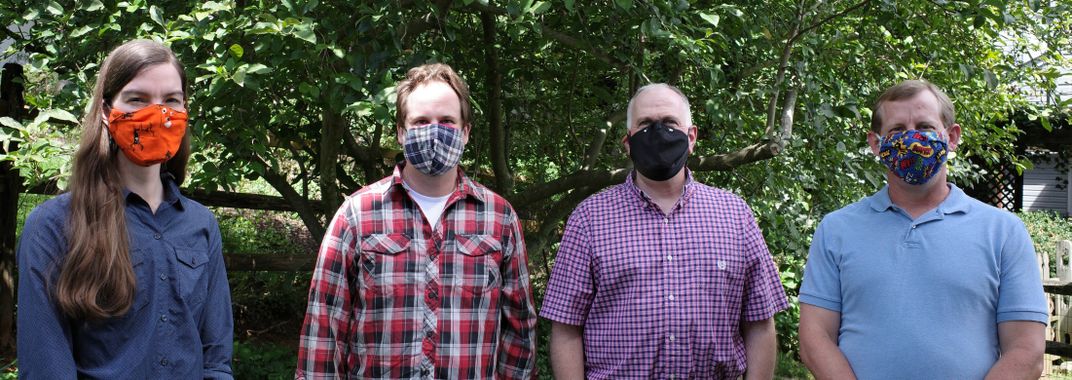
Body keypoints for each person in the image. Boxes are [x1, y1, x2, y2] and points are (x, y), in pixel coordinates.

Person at [296, 63, 536, 379]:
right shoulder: (357, 214)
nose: (434, 130)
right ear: (400, 132)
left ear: (465, 132)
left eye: (447, 121)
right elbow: (324, 326)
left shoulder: (499, 218)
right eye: (421, 121)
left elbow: (519, 330)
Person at [798, 79, 1047, 379]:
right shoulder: (836, 230)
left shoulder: (1004, 232)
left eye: (925, 127)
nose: (912, 138)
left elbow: (1026, 351)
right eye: (897, 130)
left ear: (951, 137)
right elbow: (815, 340)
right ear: (876, 144)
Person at [16, 39, 233, 378]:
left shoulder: (201, 224)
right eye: (137, 99)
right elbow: (46, 365)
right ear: (106, 111)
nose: (158, 113)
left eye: (171, 100)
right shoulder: (53, 225)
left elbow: (216, 358)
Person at [541, 83, 789, 379]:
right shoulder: (589, 219)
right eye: (645, 124)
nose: (658, 133)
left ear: (692, 136)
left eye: (670, 123)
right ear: (628, 141)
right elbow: (566, 327)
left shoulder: (735, 215)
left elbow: (760, 323)